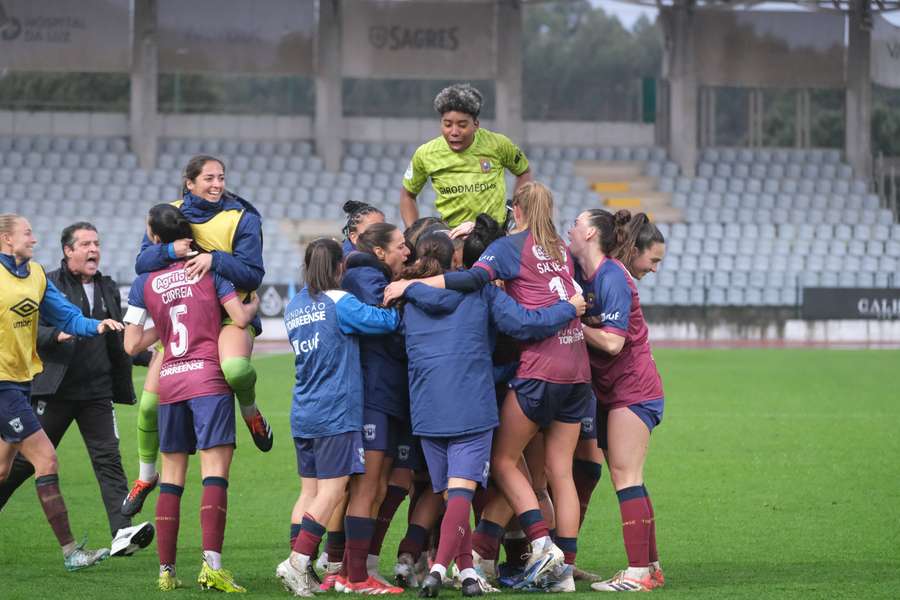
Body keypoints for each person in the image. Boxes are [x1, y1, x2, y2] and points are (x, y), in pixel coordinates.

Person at [384, 182, 592, 591]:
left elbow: (467, 284)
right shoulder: (557, 254)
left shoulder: (411, 299)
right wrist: (569, 310)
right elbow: (518, 323)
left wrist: (410, 286)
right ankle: (531, 559)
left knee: (460, 485)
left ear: (516, 209)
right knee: (544, 475)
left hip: (431, 407)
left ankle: (463, 562)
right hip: (565, 370)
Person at [123, 155, 272, 518]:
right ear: (189, 183)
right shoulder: (168, 212)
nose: (217, 184)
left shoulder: (243, 218)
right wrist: (167, 251)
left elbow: (253, 275)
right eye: (209, 178)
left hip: (227, 316)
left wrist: (213, 259)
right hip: (185, 318)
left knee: (236, 370)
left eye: (221, 177)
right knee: (146, 406)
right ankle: (145, 477)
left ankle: (251, 413)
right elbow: (143, 263)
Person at [122, 203, 260, 592]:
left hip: (169, 381)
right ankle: (211, 566)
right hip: (208, 379)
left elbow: (131, 345)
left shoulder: (143, 282)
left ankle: (166, 571)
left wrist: (162, 333)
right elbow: (240, 317)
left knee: (171, 481)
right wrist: (253, 305)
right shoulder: (207, 270)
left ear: (153, 237)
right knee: (214, 475)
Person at [0, 221, 153, 557]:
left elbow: (109, 333)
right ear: (68, 250)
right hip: (53, 390)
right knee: (23, 464)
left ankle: (122, 532)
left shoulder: (107, 287)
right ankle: (71, 551)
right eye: (85, 244)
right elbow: (37, 330)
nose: (93, 250)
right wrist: (54, 336)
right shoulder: (46, 279)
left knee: (108, 460)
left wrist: (143, 355)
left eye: (96, 243)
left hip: (96, 391)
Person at [275, 238, 402, 597]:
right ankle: (298, 562)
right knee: (333, 491)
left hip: (303, 408)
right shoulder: (340, 301)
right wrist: (397, 300)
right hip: (336, 411)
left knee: (309, 492)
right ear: (339, 269)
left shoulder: (294, 306)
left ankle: (300, 565)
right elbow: (385, 321)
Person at [567, 209, 666, 593]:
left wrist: (569, 320)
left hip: (633, 391)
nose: (655, 268)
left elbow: (612, 341)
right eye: (654, 260)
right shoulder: (596, 274)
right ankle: (650, 567)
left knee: (627, 478)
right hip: (617, 391)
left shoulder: (612, 277)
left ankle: (639, 572)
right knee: (630, 479)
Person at [400, 83, 532, 227]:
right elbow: (407, 195)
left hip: (495, 236)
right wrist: (412, 234)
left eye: (462, 125)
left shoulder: (498, 144)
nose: (454, 132)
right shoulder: (425, 154)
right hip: (453, 240)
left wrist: (518, 210)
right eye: (448, 125)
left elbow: (524, 172)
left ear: (476, 124)